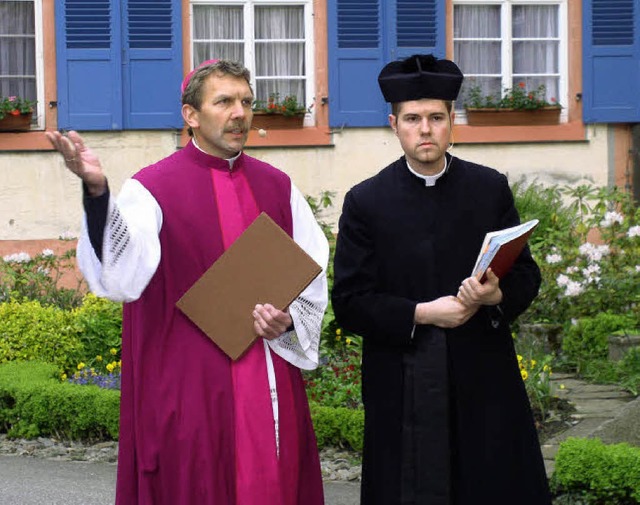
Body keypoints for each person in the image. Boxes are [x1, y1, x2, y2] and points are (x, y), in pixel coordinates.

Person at [46, 59, 329, 505]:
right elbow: (121, 272)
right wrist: (99, 193)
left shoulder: (279, 188)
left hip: (269, 379)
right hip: (188, 386)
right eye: (224, 102)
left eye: (246, 102)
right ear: (191, 115)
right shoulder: (152, 189)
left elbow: (311, 274)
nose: (240, 113)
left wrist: (290, 320)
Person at [331, 54, 551, 505]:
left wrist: (495, 295)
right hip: (402, 374)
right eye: (413, 119)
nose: (425, 130)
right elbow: (350, 301)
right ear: (394, 124)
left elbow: (527, 274)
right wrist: (423, 312)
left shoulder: (489, 188)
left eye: (436, 117)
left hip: (482, 372)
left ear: (453, 121)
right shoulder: (365, 201)